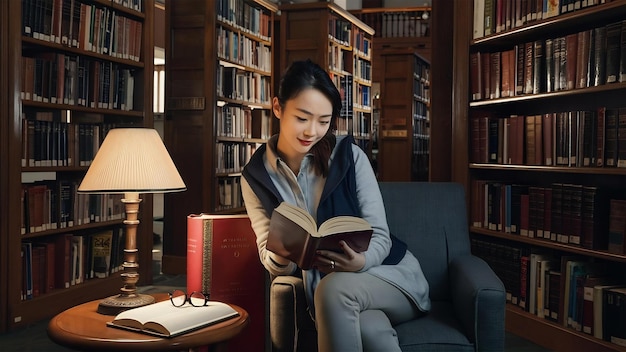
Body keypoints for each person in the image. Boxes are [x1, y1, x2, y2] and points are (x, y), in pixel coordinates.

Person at [241, 59, 430, 352]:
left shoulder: (350, 157)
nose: (312, 132)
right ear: (277, 107)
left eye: (324, 121)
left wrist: (361, 262)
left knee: (333, 290)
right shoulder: (255, 176)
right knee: (372, 333)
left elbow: (380, 235)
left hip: (390, 278)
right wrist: (283, 253)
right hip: (337, 296)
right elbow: (269, 253)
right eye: (302, 118)